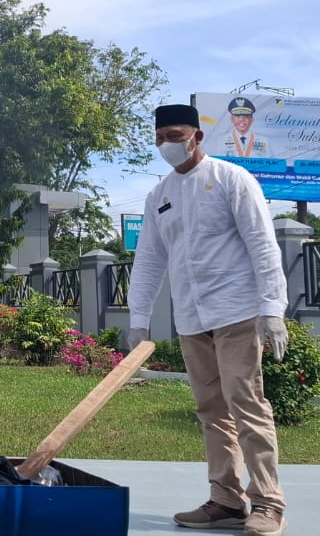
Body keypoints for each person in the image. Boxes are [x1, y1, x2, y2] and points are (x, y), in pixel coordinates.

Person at [128, 104, 288, 536]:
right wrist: (139, 319)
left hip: (236, 311)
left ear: (197, 136)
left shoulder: (232, 179)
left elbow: (262, 244)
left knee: (246, 404)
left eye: (175, 136)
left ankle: (268, 502)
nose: (167, 144)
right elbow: (148, 260)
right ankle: (226, 500)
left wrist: (272, 309)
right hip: (191, 319)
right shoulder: (159, 195)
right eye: (160, 137)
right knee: (211, 411)